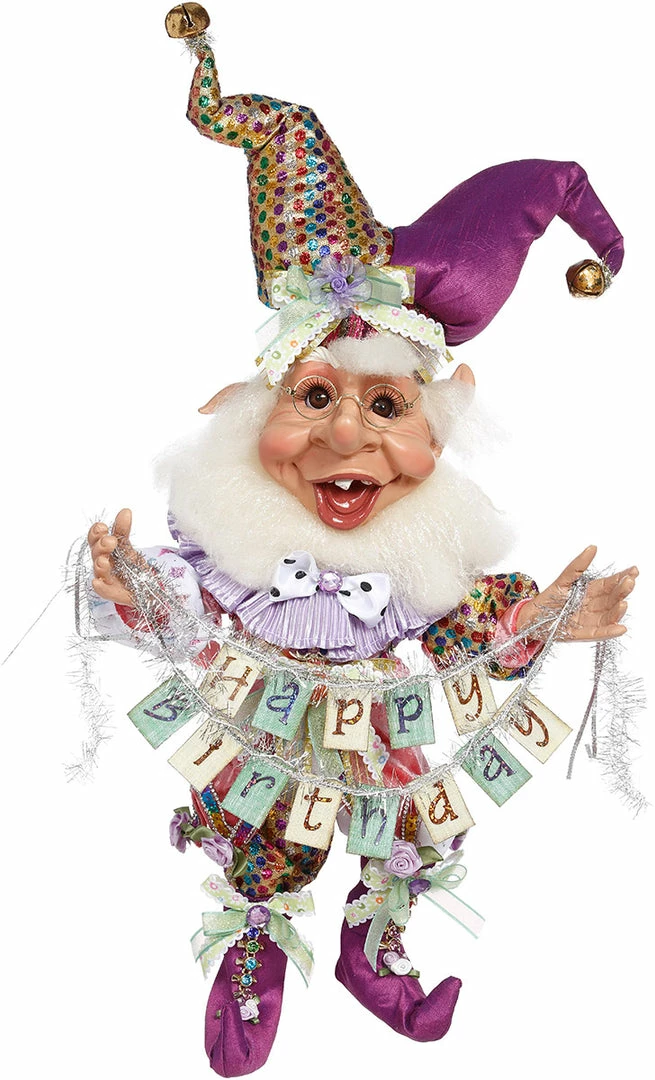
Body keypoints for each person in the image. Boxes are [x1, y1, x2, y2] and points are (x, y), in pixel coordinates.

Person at [83, 6, 638, 1075]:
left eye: (386, 407)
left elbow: (462, 620)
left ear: (437, 430)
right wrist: (131, 589)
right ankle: (253, 943)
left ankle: (373, 940)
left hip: (382, 726)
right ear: (249, 412)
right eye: (315, 398)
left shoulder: (422, 547)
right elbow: (185, 611)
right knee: (258, 831)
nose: (347, 437)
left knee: (418, 824)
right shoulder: (232, 538)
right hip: (261, 733)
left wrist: (539, 618)